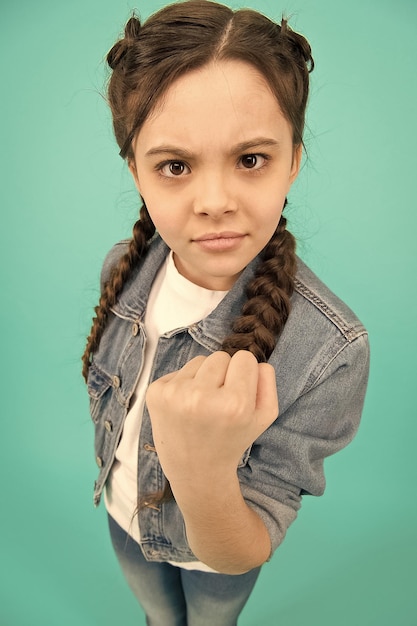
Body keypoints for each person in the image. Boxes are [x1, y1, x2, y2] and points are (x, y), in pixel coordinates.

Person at [82, 1, 370, 624]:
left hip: (216, 561)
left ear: (293, 160)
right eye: (175, 166)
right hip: (124, 518)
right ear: (137, 172)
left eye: (250, 160)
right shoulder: (121, 271)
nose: (215, 202)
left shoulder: (331, 348)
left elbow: (248, 541)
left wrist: (203, 466)